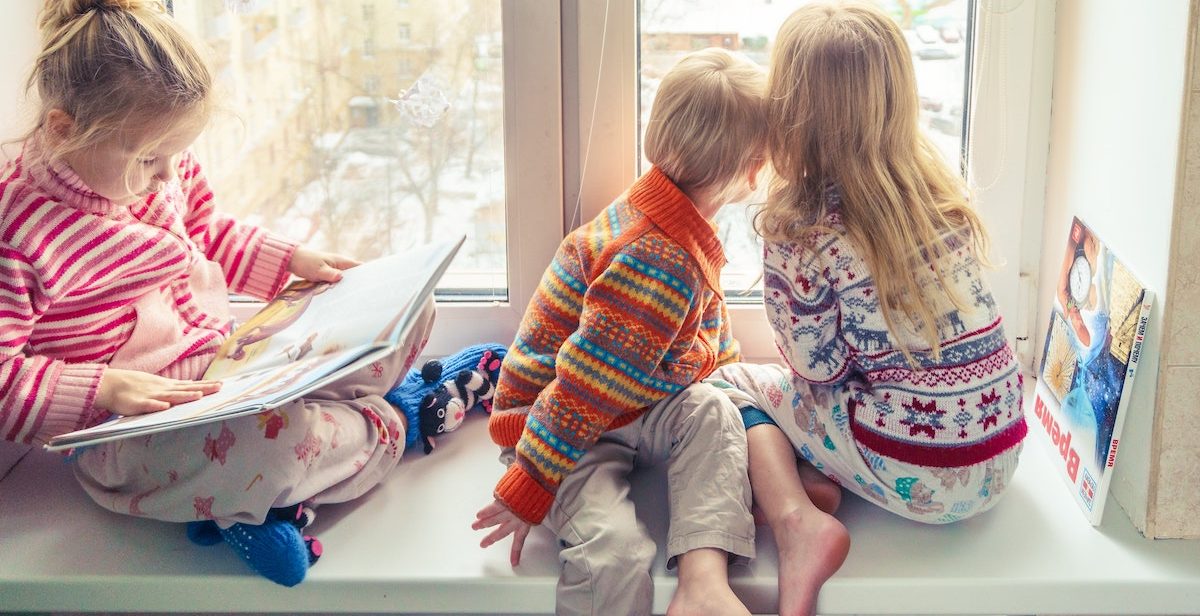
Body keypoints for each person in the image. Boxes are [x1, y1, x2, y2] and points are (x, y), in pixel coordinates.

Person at [0, 0, 436, 587]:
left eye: (176, 155)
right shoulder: (17, 231)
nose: (168, 176)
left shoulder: (156, 168)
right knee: (271, 448)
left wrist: (292, 262)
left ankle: (273, 482)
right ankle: (392, 421)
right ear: (63, 129)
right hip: (131, 437)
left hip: (224, 366)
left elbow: (208, 231)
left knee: (408, 310)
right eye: (151, 158)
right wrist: (106, 387)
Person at [709, 4, 1027, 615]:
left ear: (789, 110)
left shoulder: (803, 229)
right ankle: (824, 477)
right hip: (1000, 454)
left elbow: (817, 373)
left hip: (920, 472)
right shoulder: (937, 195)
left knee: (731, 383)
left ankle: (797, 519)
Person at [471, 47, 767, 615]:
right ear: (753, 170)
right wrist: (531, 483)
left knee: (712, 410)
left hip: (626, 403)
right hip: (558, 428)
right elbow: (584, 389)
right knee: (616, 554)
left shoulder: (673, 219)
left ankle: (705, 583)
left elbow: (699, 340)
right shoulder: (654, 260)